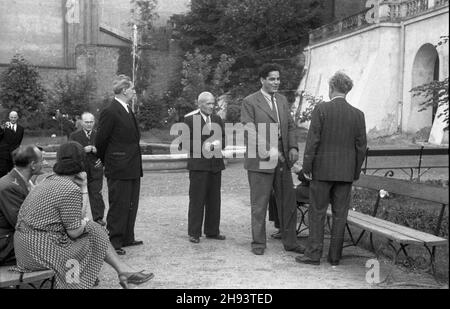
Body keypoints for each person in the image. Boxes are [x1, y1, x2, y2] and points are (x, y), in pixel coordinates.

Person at [13, 142, 154, 289]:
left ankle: (123, 271)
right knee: (92, 238)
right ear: (82, 162)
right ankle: (95, 279)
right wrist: (84, 188)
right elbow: (74, 231)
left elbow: (74, 219)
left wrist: (85, 216)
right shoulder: (69, 188)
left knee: (92, 228)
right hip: (40, 252)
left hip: (27, 248)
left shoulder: (48, 180)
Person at [296, 71, 367, 266]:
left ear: (331, 88)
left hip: (322, 171)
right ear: (347, 90)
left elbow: (313, 142)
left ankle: (313, 255)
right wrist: (354, 172)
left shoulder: (321, 109)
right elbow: (361, 148)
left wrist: (307, 168)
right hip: (345, 174)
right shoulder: (358, 115)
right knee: (340, 215)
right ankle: (335, 257)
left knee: (317, 212)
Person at [240, 63, 304, 255]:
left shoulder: (283, 101)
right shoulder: (250, 101)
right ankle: (258, 243)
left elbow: (291, 126)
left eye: (277, 78)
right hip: (260, 160)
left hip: (283, 161)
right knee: (259, 204)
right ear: (262, 80)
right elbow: (248, 129)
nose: (276, 82)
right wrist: (269, 151)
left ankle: (290, 242)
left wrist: (292, 146)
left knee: (288, 202)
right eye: (272, 79)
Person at [96, 75, 143, 255]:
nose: (134, 92)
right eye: (132, 89)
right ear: (124, 90)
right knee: (119, 204)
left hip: (132, 165)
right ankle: (114, 241)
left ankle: (127, 237)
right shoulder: (111, 110)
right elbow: (101, 139)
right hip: (119, 165)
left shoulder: (127, 109)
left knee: (131, 203)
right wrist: (105, 159)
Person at [184, 92, 226, 244]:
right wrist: (203, 146)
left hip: (215, 165)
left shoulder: (217, 119)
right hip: (198, 167)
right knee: (197, 199)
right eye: (208, 103)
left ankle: (212, 231)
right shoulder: (189, 120)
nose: (212, 106)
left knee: (214, 200)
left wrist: (218, 143)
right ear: (200, 104)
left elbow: (224, 140)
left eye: (213, 103)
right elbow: (183, 143)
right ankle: (194, 233)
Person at [0, 145, 44, 266]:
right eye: (41, 160)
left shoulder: (20, 182)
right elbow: (22, 224)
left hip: (15, 240)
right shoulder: (9, 187)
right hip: (6, 247)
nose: (44, 163)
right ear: (33, 165)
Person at [70, 112, 106, 226]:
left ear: (94, 122)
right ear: (81, 122)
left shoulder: (100, 134)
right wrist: (82, 150)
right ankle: (77, 218)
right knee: (78, 194)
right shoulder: (74, 136)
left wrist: (100, 156)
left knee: (96, 194)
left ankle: (98, 218)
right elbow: (70, 152)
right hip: (81, 170)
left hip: (96, 168)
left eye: (91, 122)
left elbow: (106, 150)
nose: (89, 124)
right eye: (86, 122)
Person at [0, 111, 24, 177]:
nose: (13, 119)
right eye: (11, 117)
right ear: (9, 117)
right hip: (3, 155)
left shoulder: (21, 129)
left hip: (14, 156)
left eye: (15, 117)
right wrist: (1, 129)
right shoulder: (4, 126)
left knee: (13, 175)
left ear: (17, 118)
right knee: (2, 174)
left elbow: (19, 142)